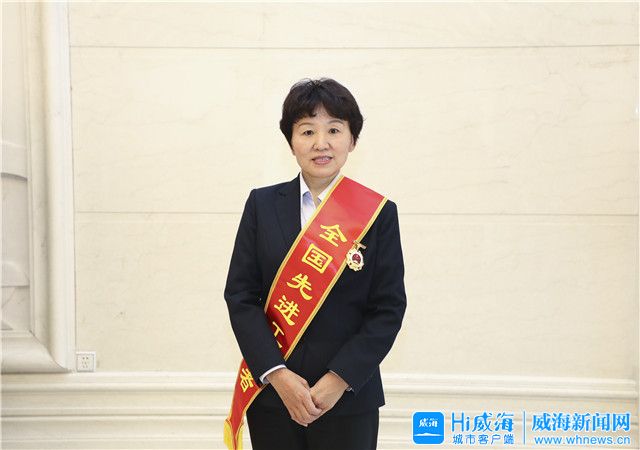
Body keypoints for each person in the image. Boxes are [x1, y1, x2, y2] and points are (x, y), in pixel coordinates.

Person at [224, 77, 406, 450]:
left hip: (348, 399)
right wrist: (278, 375)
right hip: (274, 397)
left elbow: (388, 308)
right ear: (291, 141)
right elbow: (241, 296)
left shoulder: (378, 214)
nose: (321, 143)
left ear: (352, 140)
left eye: (334, 130)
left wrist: (338, 379)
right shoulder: (261, 205)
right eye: (307, 131)